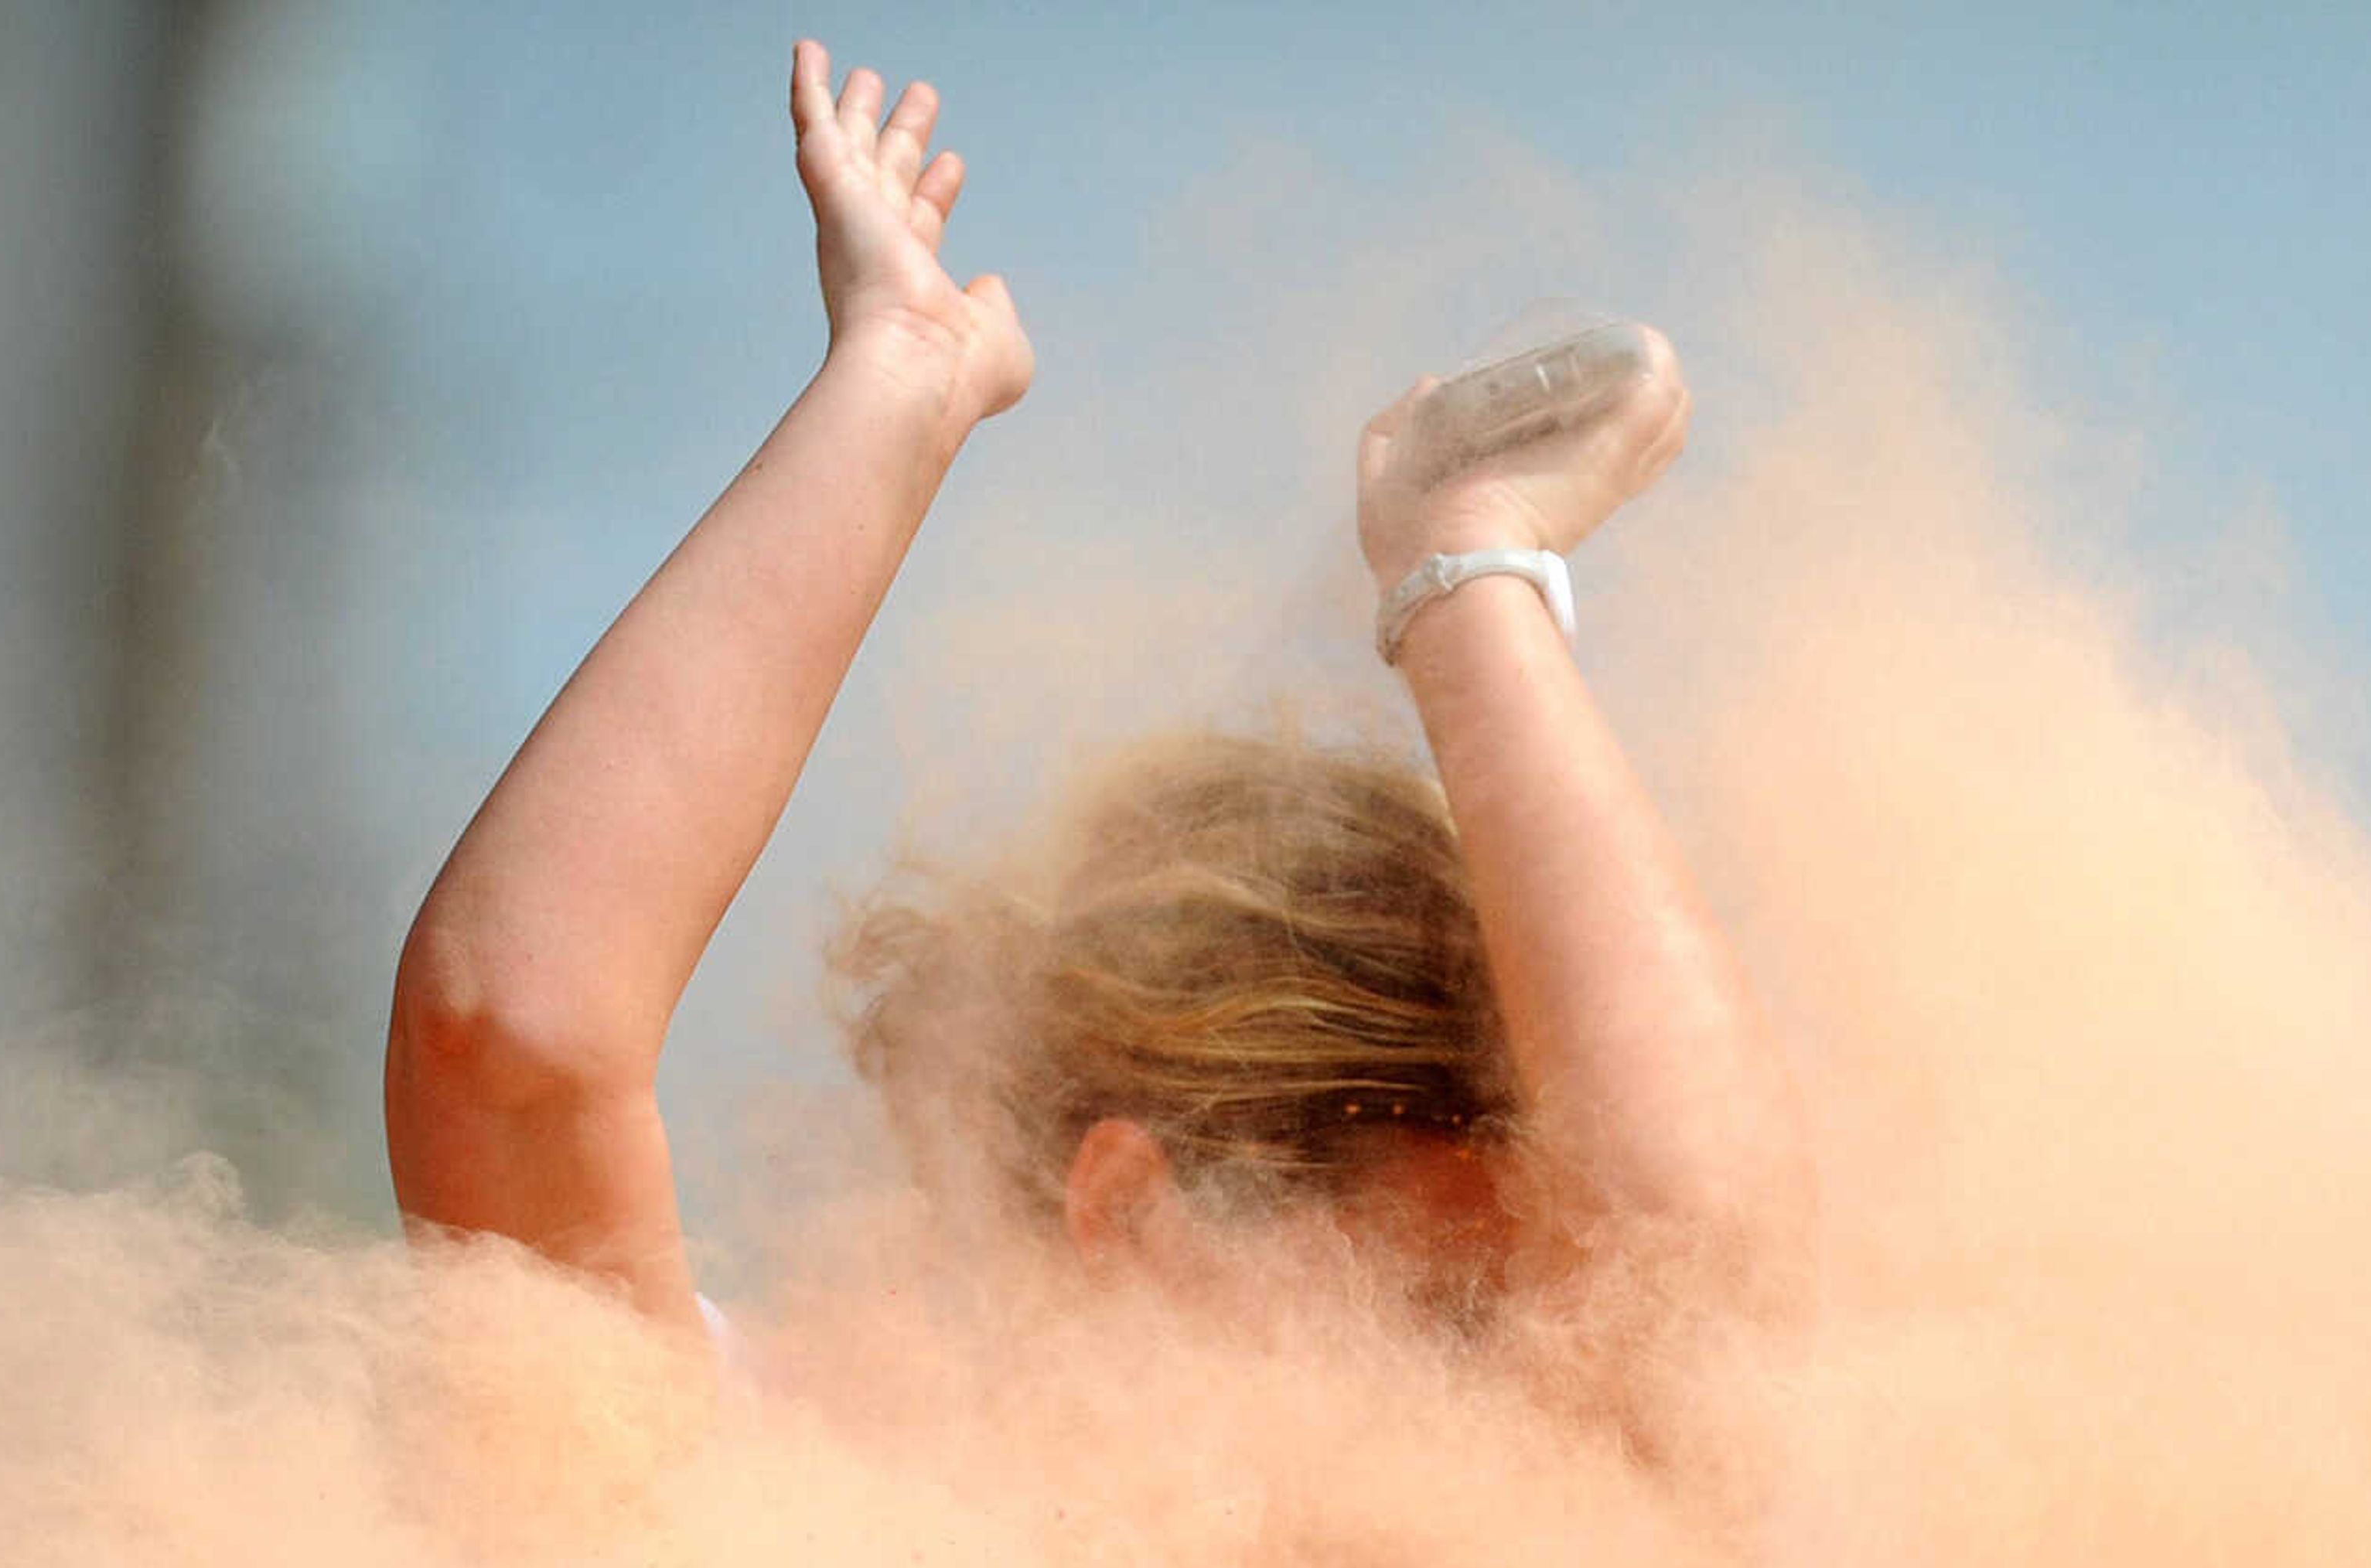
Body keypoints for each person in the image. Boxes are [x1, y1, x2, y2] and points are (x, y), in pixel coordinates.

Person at [384, 42, 1810, 1342]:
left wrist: (1468, 565)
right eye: (1442, 1308)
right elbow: (513, 1032)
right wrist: (903, 381)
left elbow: (1697, 1282)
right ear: (1129, 1210)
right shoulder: (754, 1507)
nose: (1529, 1372)